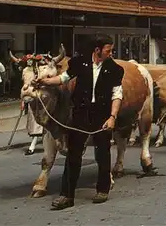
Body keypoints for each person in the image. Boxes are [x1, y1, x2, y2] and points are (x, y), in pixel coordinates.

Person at [35, 34, 124, 209]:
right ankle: (66, 196)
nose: (111, 53)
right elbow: (64, 78)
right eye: (109, 50)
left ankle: (102, 189)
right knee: (73, 155)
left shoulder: (115, 69)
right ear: (97, 50)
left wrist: (112, 117)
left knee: (102, 153)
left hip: (102, 115)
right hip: (80, 114)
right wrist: (44, 81)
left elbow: (117, 94)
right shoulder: (80, 63)